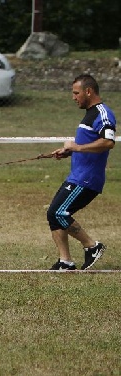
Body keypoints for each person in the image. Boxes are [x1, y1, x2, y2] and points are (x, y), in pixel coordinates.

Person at [47, 74, 116, 270]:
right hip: (76, 176)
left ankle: (92, 246)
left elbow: (107, 142)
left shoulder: (103, 113)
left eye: (76, 93)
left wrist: (75, 147)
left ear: (88, 91)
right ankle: (65, 261)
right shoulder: (89, 113)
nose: (73, 97)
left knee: (59, 213)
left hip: (87, 179)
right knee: (53, 214)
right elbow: (88, 145)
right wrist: (68, 151)